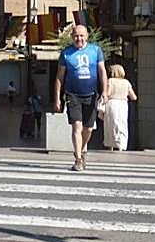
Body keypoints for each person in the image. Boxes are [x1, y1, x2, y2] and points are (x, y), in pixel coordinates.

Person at [53, 24, 108, 171]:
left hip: (91, 94)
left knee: (88, 128)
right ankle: (78, 159)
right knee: (77, 126)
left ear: (87, 36)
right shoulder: (66, 53)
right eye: (76, 36)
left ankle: (82, 149)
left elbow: (102, 72)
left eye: (82, 35)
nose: (79, 39)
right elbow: (59, 77)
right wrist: (57, 98)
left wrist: (105, 91)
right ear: (72, 37)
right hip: (72, 94)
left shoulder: (96, 51)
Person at [104, 64, 137, 151]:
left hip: (112, 103)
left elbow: (108, 93)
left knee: (111, 124)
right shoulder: (126, 82)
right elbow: (134, 97)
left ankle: (111, 146)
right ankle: (121, 146)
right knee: (122, 125)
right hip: (123, 104)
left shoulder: (110, 81)